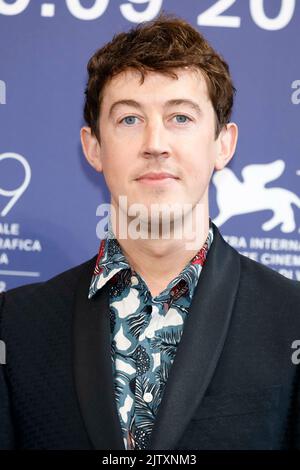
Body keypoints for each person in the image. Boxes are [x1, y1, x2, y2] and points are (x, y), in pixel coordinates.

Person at [0, 14, 299, 451]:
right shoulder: (18, 325)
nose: (155, 143)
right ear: (93, 147)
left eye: (180, 117)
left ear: (224, 144)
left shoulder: (290, 319)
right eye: (129, 120)